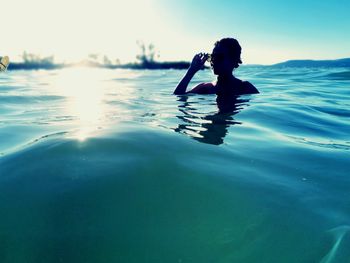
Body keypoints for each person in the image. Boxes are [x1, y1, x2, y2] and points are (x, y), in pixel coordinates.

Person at [173, 38, 259, 102]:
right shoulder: (205, 88)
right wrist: (191, 71)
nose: (214, 60)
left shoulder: (244, 87)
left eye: (220, 57)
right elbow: (178, 96)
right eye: (212, 56)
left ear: (234, 61)